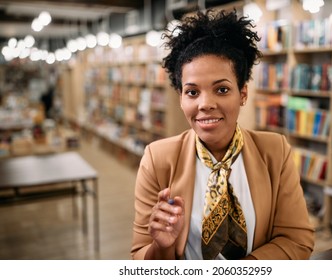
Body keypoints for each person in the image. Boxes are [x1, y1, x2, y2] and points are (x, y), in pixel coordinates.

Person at [131, 9, 315, 260]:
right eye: (192, 92)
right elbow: (141, 256)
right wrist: (161, 247)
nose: (205, 104)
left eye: (221, 89)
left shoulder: (275, 151)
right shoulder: (157, 159)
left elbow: (297, 239)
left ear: (243, 94)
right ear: (181, 98)